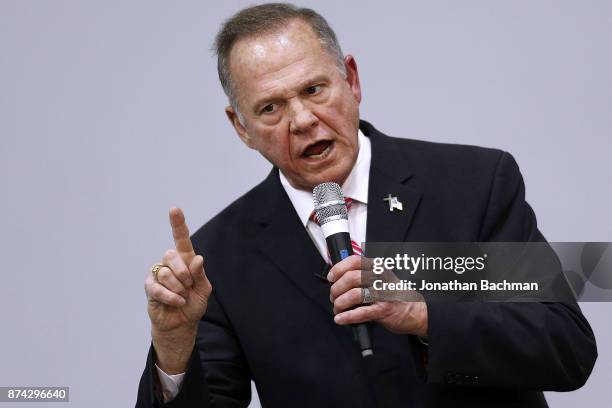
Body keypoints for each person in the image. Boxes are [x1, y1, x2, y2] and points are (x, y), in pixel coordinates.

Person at [136, 3, 597, 407]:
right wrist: (174, 351)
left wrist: (424, 315)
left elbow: (566, 348)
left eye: (314, 90)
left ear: (351, 80)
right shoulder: (218, 256)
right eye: (270, 108)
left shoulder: (473, 184)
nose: (302, 120)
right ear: (241, 127)